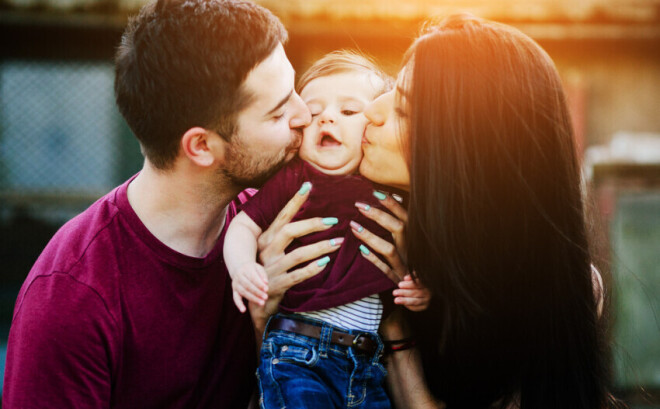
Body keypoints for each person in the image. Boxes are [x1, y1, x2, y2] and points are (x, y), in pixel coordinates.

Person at [2, 0, 339, 407]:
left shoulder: (278, 231)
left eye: (294, 91)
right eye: (278, 112)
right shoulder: (72, 299)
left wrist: (264, 325)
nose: (305, 115)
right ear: (200, 146)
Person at [349, 13, 621, 409]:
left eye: (405, 111)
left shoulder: (561, 291)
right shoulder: (348, 231)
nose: (370, 111)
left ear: (468, 151)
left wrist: (395, 320)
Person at [224, 51, 430, 409]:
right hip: (298, 350)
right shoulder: (294, 180)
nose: (327, 119)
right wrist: (243, 267)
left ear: (373, 127)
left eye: (349, 112)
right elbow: (243, 225)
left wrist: (420, 287)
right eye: (313, 114)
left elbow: (424, 257)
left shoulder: (393, 192)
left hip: (366, 362)